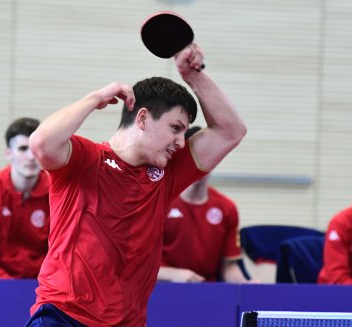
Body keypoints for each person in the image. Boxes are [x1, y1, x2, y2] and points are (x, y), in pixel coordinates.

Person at [25, 43, 246, 326]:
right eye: (175, 128)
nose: (181, 142)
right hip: (64, 316)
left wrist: (194, 77)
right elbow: (41, 142)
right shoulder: (84, 158)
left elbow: (231, 130)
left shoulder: (168, 173)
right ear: (142, 118)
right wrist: (95, 98)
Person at [158, 127, 251, 284]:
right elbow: (134, 265)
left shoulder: (227, 208)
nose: (199, 163)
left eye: (206, 155)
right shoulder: (159, 200)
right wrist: (171, 274)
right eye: (193, 156)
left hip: (208, 293)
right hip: (163, 289)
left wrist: (247, 287)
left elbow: (228, 268)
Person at [0, 117, 50, 279]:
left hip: (44, 286)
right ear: (9, 153)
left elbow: (63, 256)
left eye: (36, 149)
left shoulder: (59, 195)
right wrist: (12, 290)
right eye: (23, 148)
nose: (31, 157)